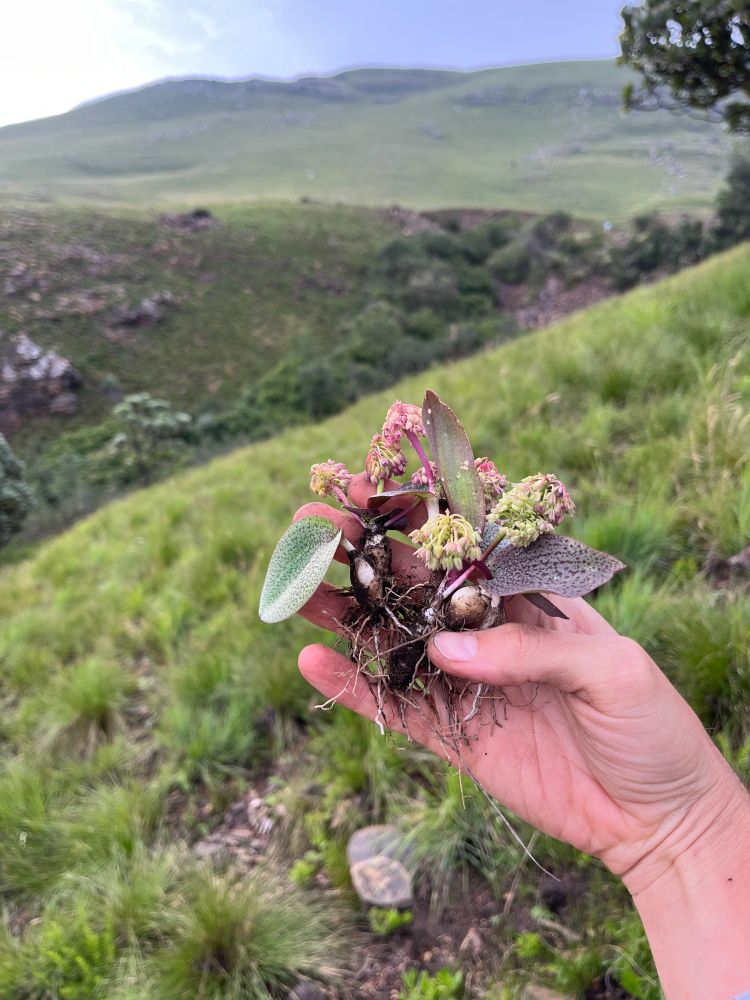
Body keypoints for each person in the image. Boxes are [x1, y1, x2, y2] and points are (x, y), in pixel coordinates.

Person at [294, 474, 750, 1000]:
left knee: (461, 604)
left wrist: (683, 827)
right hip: (442, 596)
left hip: (461, 595)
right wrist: (685, 828)